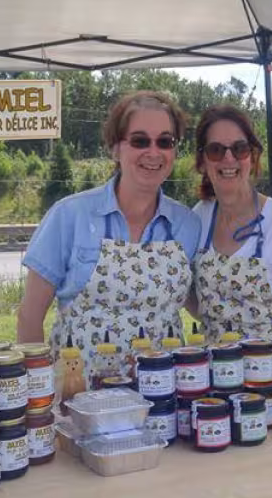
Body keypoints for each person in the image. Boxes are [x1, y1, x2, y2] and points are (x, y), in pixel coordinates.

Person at [17, 91, 202, 385]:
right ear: (115, 148)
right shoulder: (70, 215)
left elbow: (202, 302)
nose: (153, 152)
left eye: (165, 141)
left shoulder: (189, 225)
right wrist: (36, 394)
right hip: (79, 400)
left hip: (164, 398)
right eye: (140, 141)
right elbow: (29, 317)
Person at [189, 104, 272, 348]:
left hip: (269, 375)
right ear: (202, 161)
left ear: (252, 156)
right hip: (212, 374)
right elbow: (196, 302)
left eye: (239, 148)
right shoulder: (198, 218)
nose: (229, 158)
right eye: (216, 150)